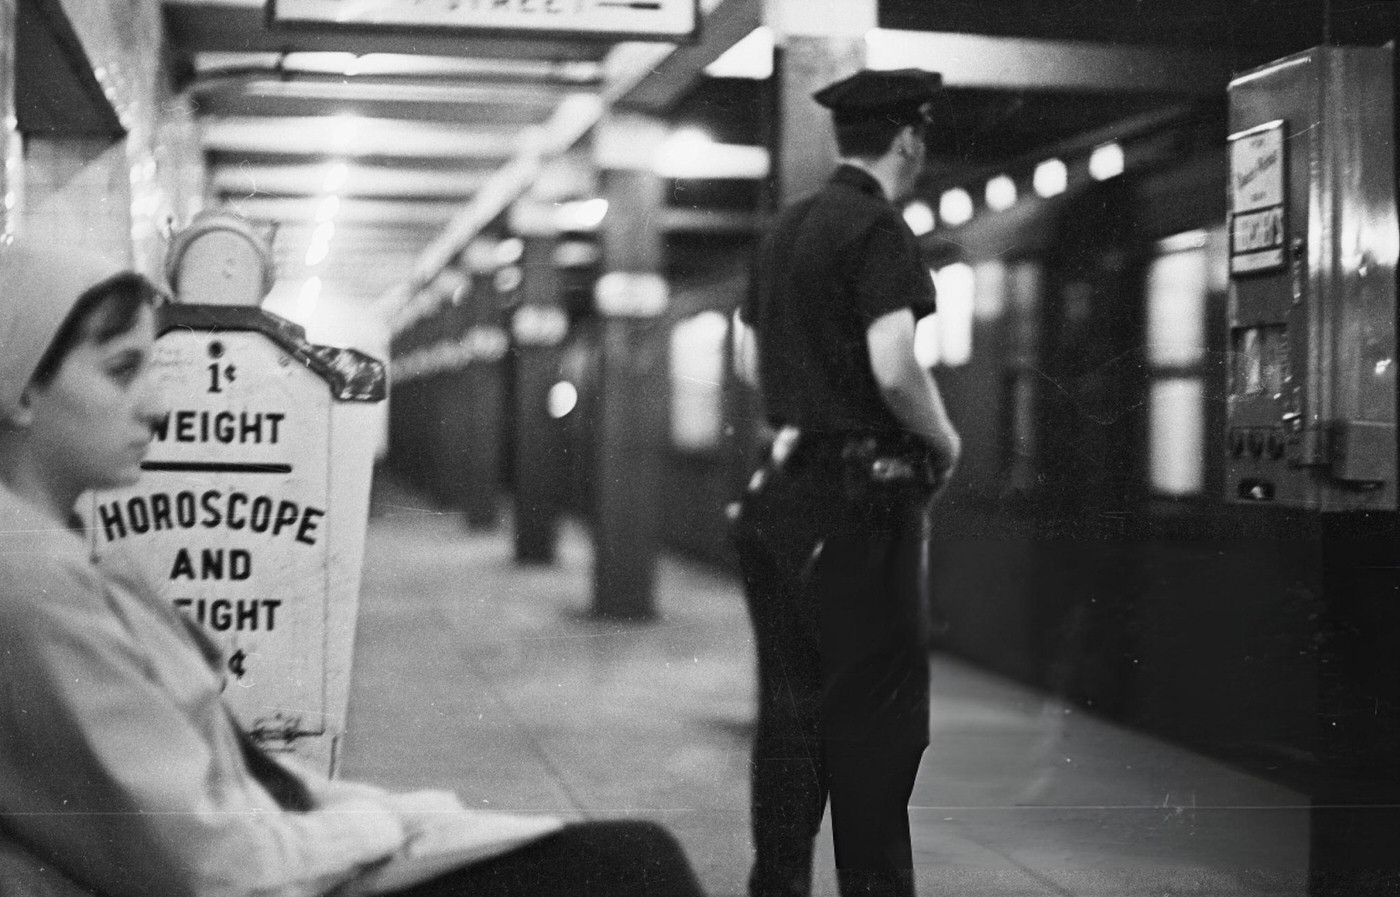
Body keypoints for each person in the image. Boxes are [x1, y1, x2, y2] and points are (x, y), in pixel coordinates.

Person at [0, 242, 705, 897]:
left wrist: (372, 815)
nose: (156, 405)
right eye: (122, 369)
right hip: (268, 872)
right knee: (637, 863)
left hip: (275, 843)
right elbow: (214, 861)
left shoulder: (51, 555)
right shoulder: (38, 586)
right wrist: (381, 827)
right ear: (22, 390)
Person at [730, 68, 961, 897]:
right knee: (874, 727)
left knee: (789, 721)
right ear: (908, 137)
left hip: (777, 498)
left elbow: (749, 359)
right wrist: (941, 437)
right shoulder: (876, 229)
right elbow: (895, 367)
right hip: (859, 507)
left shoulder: (783, 231)